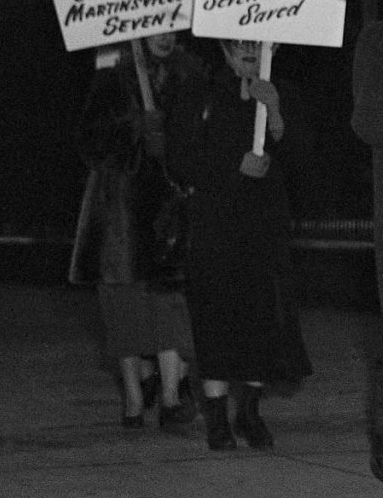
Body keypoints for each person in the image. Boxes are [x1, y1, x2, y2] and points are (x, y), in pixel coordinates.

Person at [160, 37, 310, 451]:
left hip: (264, 228)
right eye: (239, 43)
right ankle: (216, 415)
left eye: (257, 44)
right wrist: (232, 167)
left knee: (260, 316)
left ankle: (249, 411)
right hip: (214, 226)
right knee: (215, 317)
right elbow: (179, 159)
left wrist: (275, 111)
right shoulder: (200, 93)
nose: (248, 49)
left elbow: (303, 161)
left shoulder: (283, 93)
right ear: (224, 49)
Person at [72, 31, 195, 429]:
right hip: (120, 207)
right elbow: (89, 143)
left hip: (169, 204)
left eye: (171, 29)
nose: (165, 38)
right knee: (123, 298)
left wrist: (172, 142)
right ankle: (134, 395)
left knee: (169, 298)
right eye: (156, 30)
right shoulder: (112, 75)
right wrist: (133, 130)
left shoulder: (190, 75)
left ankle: (173, 397)